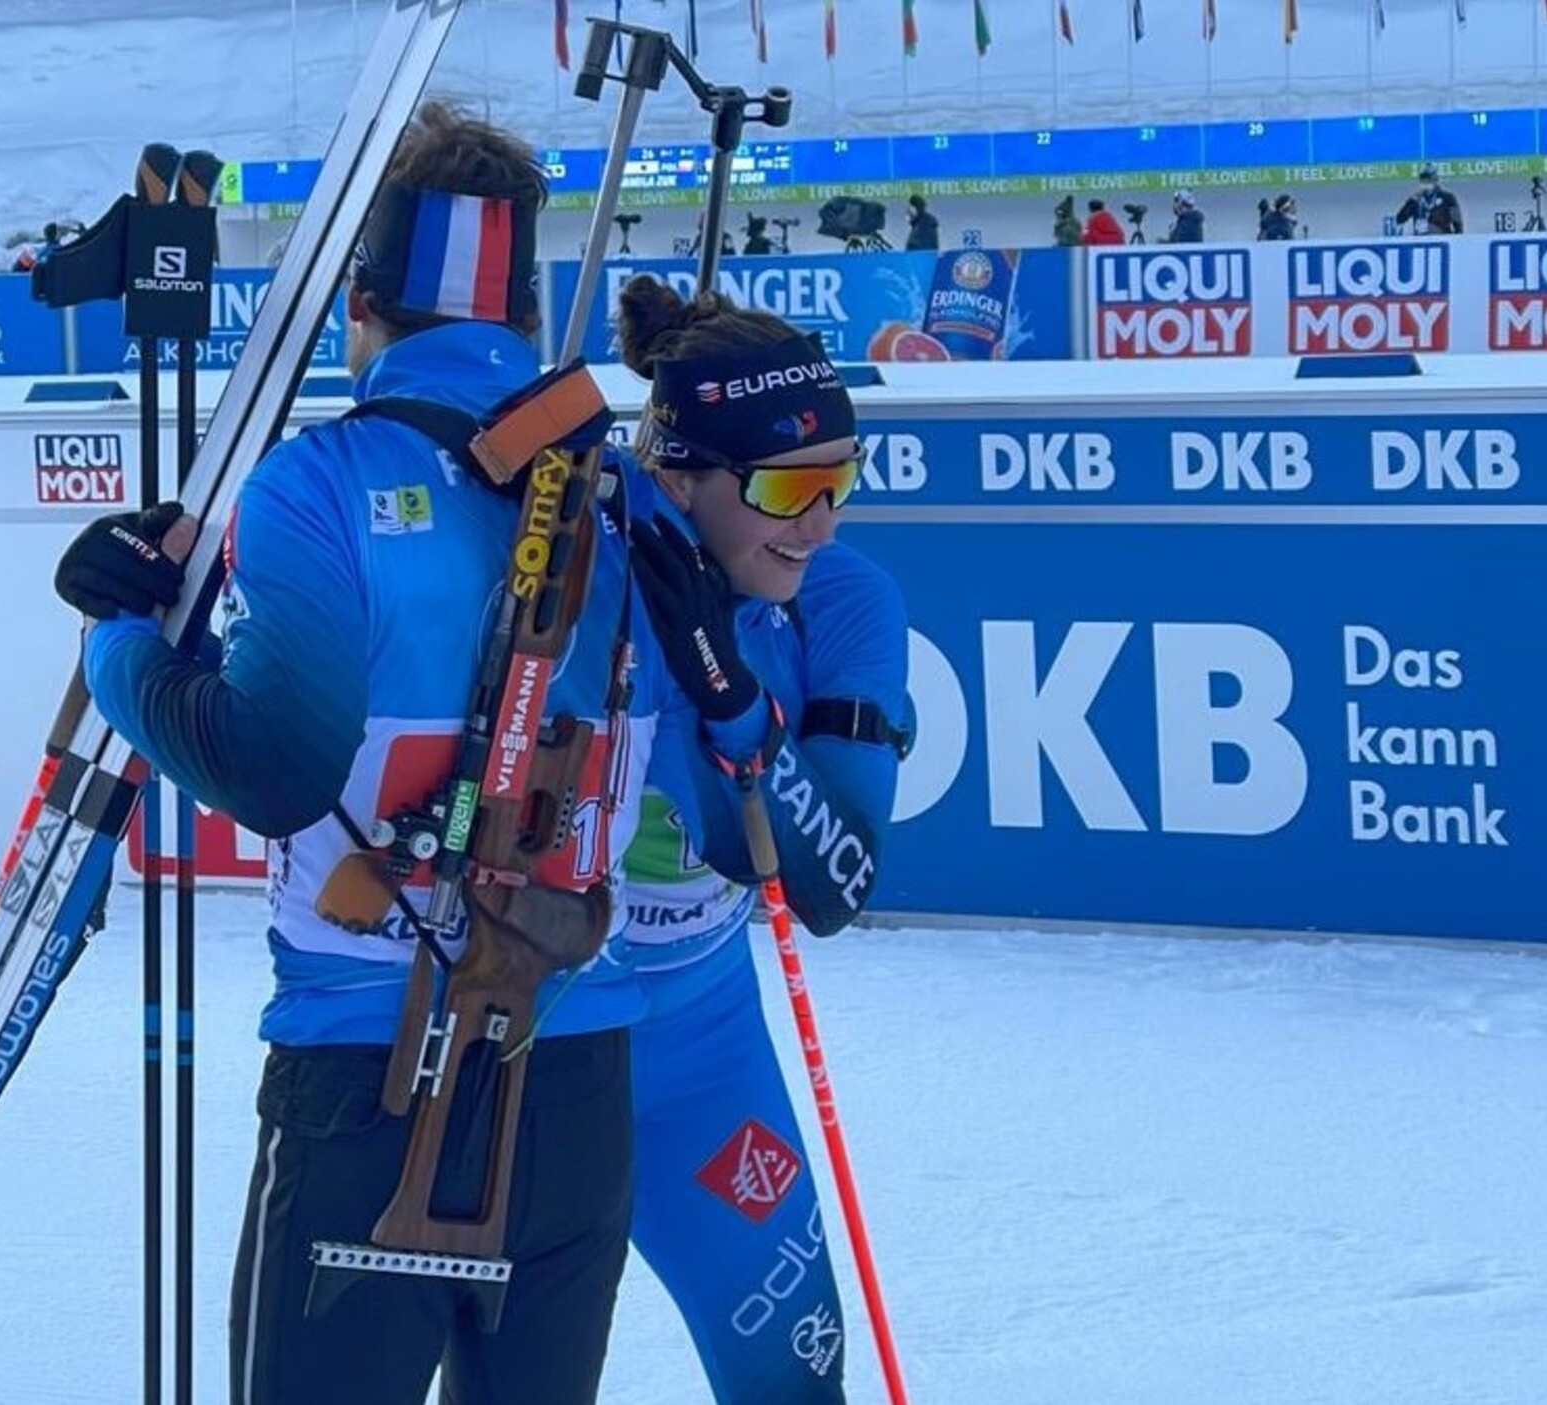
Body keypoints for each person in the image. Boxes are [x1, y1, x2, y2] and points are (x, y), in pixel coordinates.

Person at [53, 102, 698, 1405]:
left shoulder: (318, 480)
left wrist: (119, 646)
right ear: (518, 314)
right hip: (578, 1075)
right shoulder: (618, 486)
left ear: (359, 306)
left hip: (373, 1071)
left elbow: (274, 763)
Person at [615, 275, 911, 1404]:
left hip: (702, 1044)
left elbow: (831, 881)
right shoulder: (577, 574)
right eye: (790, 485)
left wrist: (727, 694)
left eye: (841, 478)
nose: (822, 521)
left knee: (794, 1377)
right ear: (675, 475)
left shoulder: (839, 596)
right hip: (539, 1046)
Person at [1396, 165, 1463, 235]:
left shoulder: (1448, 198)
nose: (1425, 182)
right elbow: (1400, 219)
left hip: (1442, 237)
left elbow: (1457, 222)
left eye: (1428, 179)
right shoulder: (1415, 199)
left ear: (1435, 180)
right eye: (1423, 180)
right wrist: (1410, 203)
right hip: (1421, 240)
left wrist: (1457, 240)